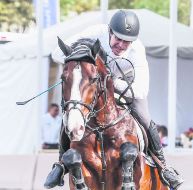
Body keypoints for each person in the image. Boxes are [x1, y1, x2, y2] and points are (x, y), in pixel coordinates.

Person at [44, 10, 183, 189]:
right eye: (118, 38)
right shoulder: (95, 33)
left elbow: (140, 91)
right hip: (92, 85)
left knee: (145, 118)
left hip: (124, 86)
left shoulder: (137, 51)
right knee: (71, 115)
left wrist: (110, 81)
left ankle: (163, 167)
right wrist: (80, 62)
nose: (121, 45)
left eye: (127, 41)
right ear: (109, 31)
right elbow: (57, 53)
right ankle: (61, 165)